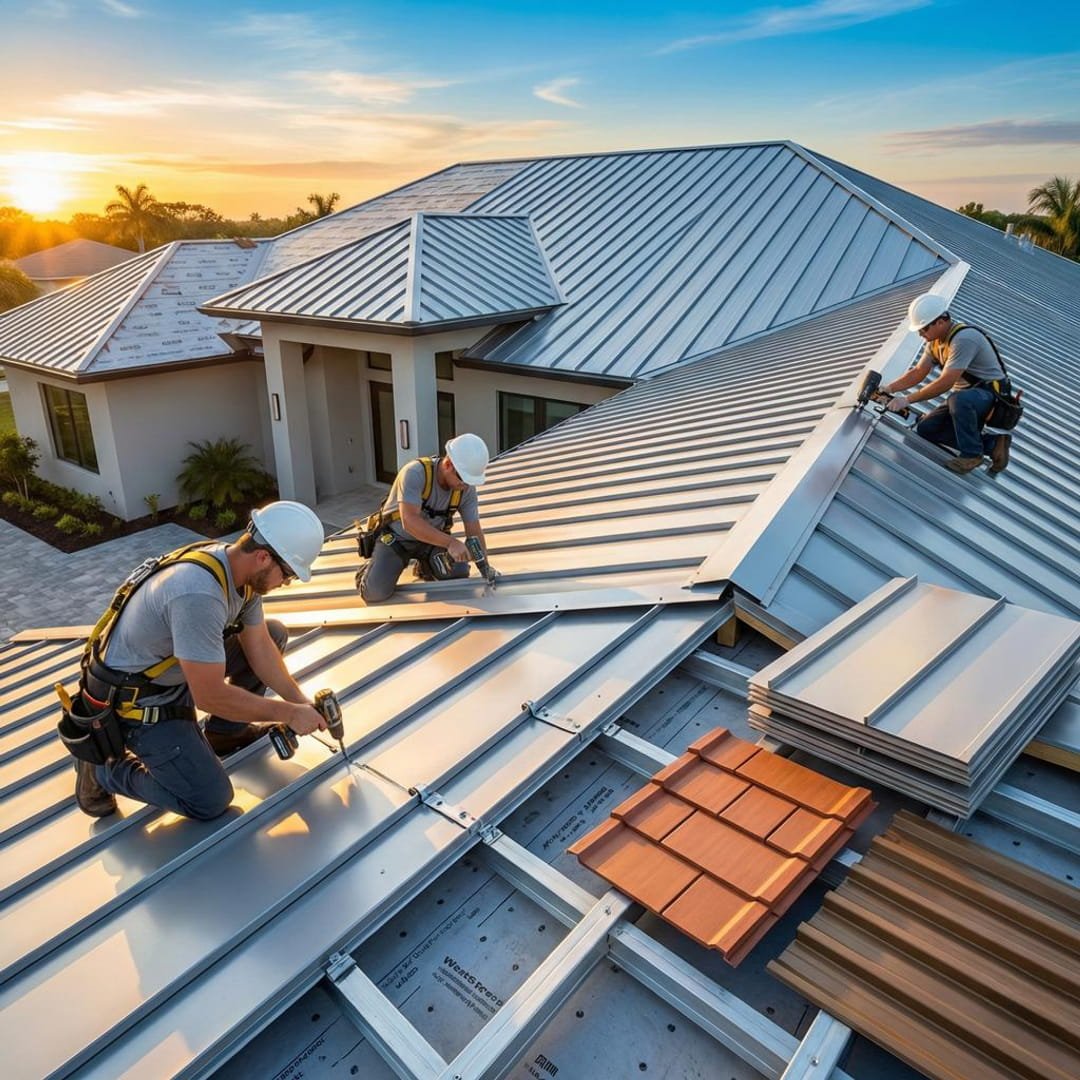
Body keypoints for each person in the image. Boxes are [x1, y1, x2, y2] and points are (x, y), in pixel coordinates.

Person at [72, 500, 328, 821]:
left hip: (173, 669)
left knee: (272, 633)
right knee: (209, 800)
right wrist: (289, 713)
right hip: (136, 698)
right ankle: (104, 770)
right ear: (264, 557)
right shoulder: (198, 593)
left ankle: (225, 733)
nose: (285, 583)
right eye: (288, 575)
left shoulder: (238, 573)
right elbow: (210, 696)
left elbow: (260, 648)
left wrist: (303, 705)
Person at [884, 294, 1012, 475]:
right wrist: (889, 388)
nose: (921, 334)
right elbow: (919, 371)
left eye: (924, 328)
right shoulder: (934, 342)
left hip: (990, 397)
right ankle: (993, 444)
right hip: (965, 397)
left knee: (957, 399)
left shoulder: (964, 339)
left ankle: (971, 455)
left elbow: (946, 382)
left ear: (941, 322)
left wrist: (907, 400)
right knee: (927, 428)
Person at [359, 433, 490, 603]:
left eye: (469, 482)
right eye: (463, 479)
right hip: (397, 540)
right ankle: (368, 571)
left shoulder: (465, 490)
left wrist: (485, 566)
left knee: (459, 571)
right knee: (375, 593)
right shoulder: (415, 473)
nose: (464, 486)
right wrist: (451, 543)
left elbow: (474, 531)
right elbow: (410, 522)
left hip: (432, 542)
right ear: (449, 464)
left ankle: (425, 566)